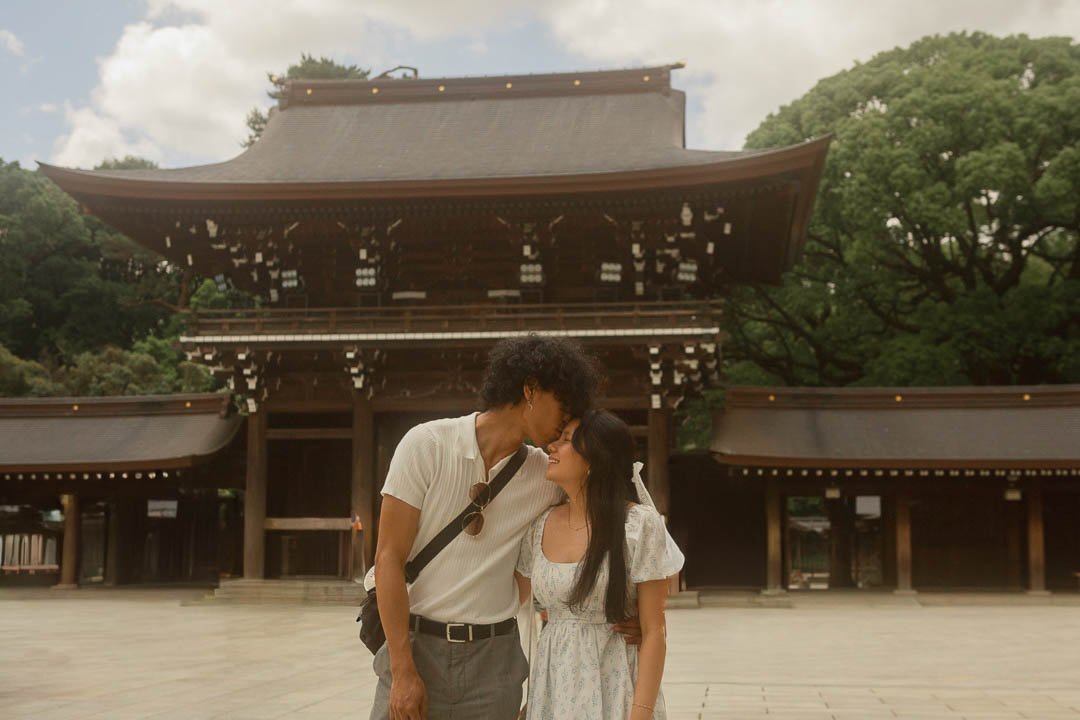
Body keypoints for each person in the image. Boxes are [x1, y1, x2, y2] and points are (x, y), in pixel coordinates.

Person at [369, 334, 600, 720]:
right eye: (565, 404)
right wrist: (402, 669)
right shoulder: (425, 445)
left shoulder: (547, 475)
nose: (568, 419)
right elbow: (388, 558)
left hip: (496, 661)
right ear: (531, 390)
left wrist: (633, 607)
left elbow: (613, 509)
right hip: (415, 647)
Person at [515, 409, 683, 720]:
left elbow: (654, 631)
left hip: (615, 680)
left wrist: (641, 713)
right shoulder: (539, 524)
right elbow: (513, 602)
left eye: (566, 440)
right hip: (553, 684)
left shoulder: (637, 525)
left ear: (594, 460)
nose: (551, 447)